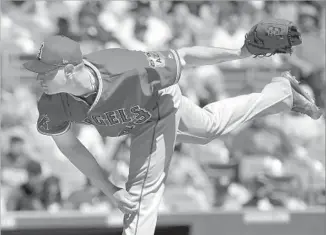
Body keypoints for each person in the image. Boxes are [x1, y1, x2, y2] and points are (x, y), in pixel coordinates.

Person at [23, 35, 321, 235]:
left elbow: (185, 57)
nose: (39, 77)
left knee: (141, 194)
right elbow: (70, 147)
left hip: (159, 102)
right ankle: (281, 94)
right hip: (139, 120)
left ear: (72, 70)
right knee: (208, 129)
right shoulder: (53, 101)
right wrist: (107, 188)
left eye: (47, 71)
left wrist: (240, 53)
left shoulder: (124, 66)